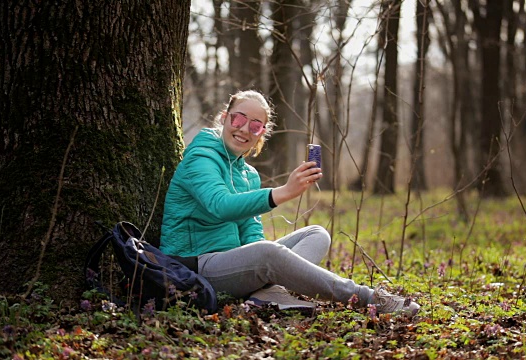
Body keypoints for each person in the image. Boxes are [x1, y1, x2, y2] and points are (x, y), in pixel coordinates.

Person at [160, 89, 419, 315]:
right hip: (196, 266)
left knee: (316, 233)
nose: (243, 129)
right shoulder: (201, 157)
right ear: (225, 117)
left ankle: (267, 293)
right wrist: (282, 193)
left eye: (255, 125)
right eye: (238, 118)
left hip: (231, 263)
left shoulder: (248, 174)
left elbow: (250, 233)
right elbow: (219, 205)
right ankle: (369, 298)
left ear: (261, 133)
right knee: (268, 253)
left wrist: (258, 259)